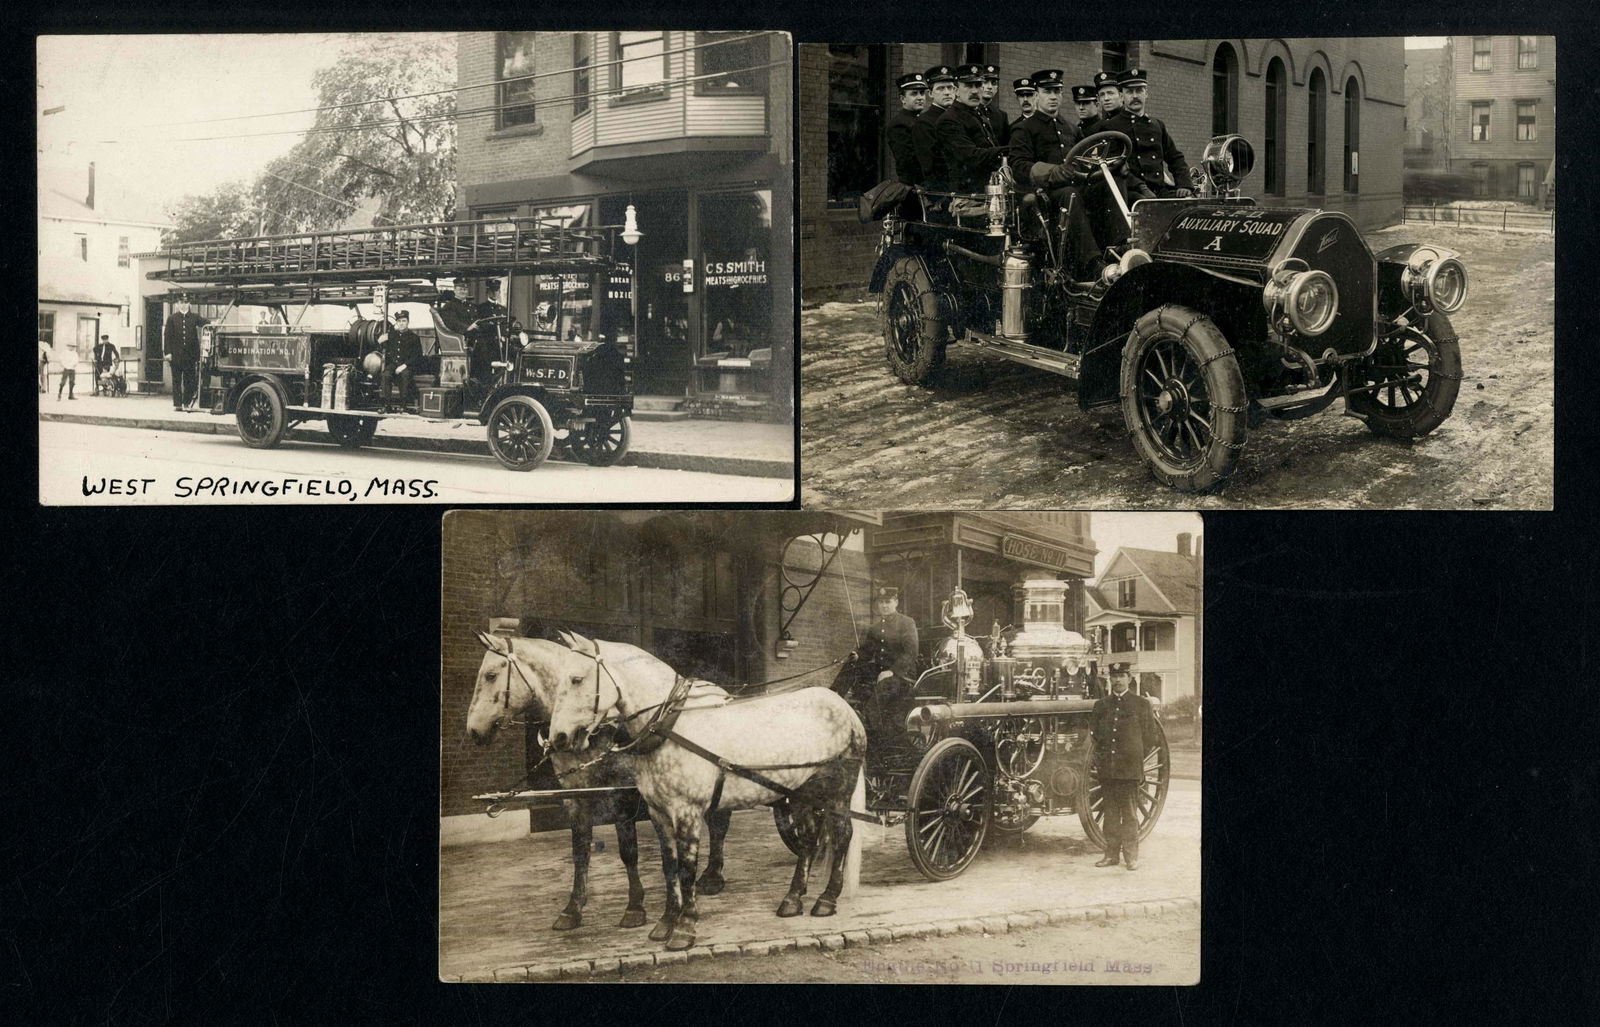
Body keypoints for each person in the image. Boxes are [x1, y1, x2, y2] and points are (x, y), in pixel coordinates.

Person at [1007, 68, 1104, 281]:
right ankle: (1093, 263)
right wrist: (1053, 172)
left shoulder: (1070, 128)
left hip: (1074, 192)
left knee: (1106, 186)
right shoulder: (1024, 129)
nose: (1053, 97)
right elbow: (1020, 167)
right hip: (1043, 199)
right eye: (1047, 91)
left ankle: (1121, 247)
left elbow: (1084, 159)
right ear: (1036, 95)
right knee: (1069, 193)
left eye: (1057, 91)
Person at [1092, 663, 1159, 871]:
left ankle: (1131, 858)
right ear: (1110, 679)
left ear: (1129, 678)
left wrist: (1134, 757)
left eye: (1122, 676)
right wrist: (1103, 761)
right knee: (1110, 814)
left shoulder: (1141, 704)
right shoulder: (1101, 705)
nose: (1118, 680)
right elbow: (1095, 735)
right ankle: (1111, 855)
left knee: (1129, 815)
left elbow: (1150, 738)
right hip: (1108, 770)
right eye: (1114, 676)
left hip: (1129, 771)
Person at [1098, 67, 1193, 199]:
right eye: (1130, 92)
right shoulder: (1110, 127)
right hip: (1131, 191)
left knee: (1190, 205)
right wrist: (1141, 188)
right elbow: (1113, 166)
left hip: (1160, 190)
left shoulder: (1157, 125)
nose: (1135, 96)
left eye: (1139, 90)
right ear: (1122, 96)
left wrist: (1184, 184)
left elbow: (1175, 158)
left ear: (1146, 93)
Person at [856, 586, 919, 738]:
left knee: (883, 691)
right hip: (881, 676)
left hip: (902, 676)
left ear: (896, 602)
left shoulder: (906, 623)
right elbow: (866, 652)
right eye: (881, 602)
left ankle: (870, 727)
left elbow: (911, 652)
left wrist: (892, 671)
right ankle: (835, 695)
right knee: (852, 666)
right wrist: (856, 655)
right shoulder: (875, 629)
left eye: (888, 602)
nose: (884, 605)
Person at [935, 64, 1007, 196]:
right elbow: (971, 156)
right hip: (967, 195)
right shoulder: (949, 120)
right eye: (968, 86)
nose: (974, 91)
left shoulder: (979, 114)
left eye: (978, 85)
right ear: (956, 90)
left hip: (989, 188)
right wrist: (1007, 150)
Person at [911, 65, 956, 192]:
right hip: (943, 193)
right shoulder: (925, 122)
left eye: (950, 88)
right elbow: (930, 165)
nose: (947, 92)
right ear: (930, 93)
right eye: (941, 88)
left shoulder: (959, 117)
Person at [163, 295, 206, 411]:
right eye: (181, 302)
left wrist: (215, 322)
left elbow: (205, 323)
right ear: (177, 304)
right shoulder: (172, 318)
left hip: (190, 356)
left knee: (189, 381)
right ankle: (177, 404)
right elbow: (167, 336)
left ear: (189, 304)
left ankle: (186, 403)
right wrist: (167, 352)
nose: (183, 304)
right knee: (176, 380)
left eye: (186, 302)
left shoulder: (194, 317)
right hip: (176, 356)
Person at [886, 71, 930, 186]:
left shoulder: (923, 120)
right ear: (902, 99)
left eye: (922, 93)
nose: (920, 97)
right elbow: (908, 162)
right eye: (914, 94)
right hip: (914, 187)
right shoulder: (899, 124)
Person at [378, 309, 423, 409]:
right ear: (396, 323)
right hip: (394, 364)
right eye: (399, 321)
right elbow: (382, 345)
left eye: (404, 321)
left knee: (405, 375)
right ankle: (387, 405)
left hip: (408, 365)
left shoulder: (414, 337)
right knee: (385, 375)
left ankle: (403, 405)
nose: (401, 323)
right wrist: (381, 340)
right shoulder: (392, 335)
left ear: (408, 322)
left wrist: (404, 366)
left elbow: (417, 356)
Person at [978, 63, 1010, 147]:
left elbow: (1005, 145)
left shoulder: (1001, 116)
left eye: (994, 83)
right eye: (985, 82)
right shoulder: (970, 111)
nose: (990, 87)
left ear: (997, 88)